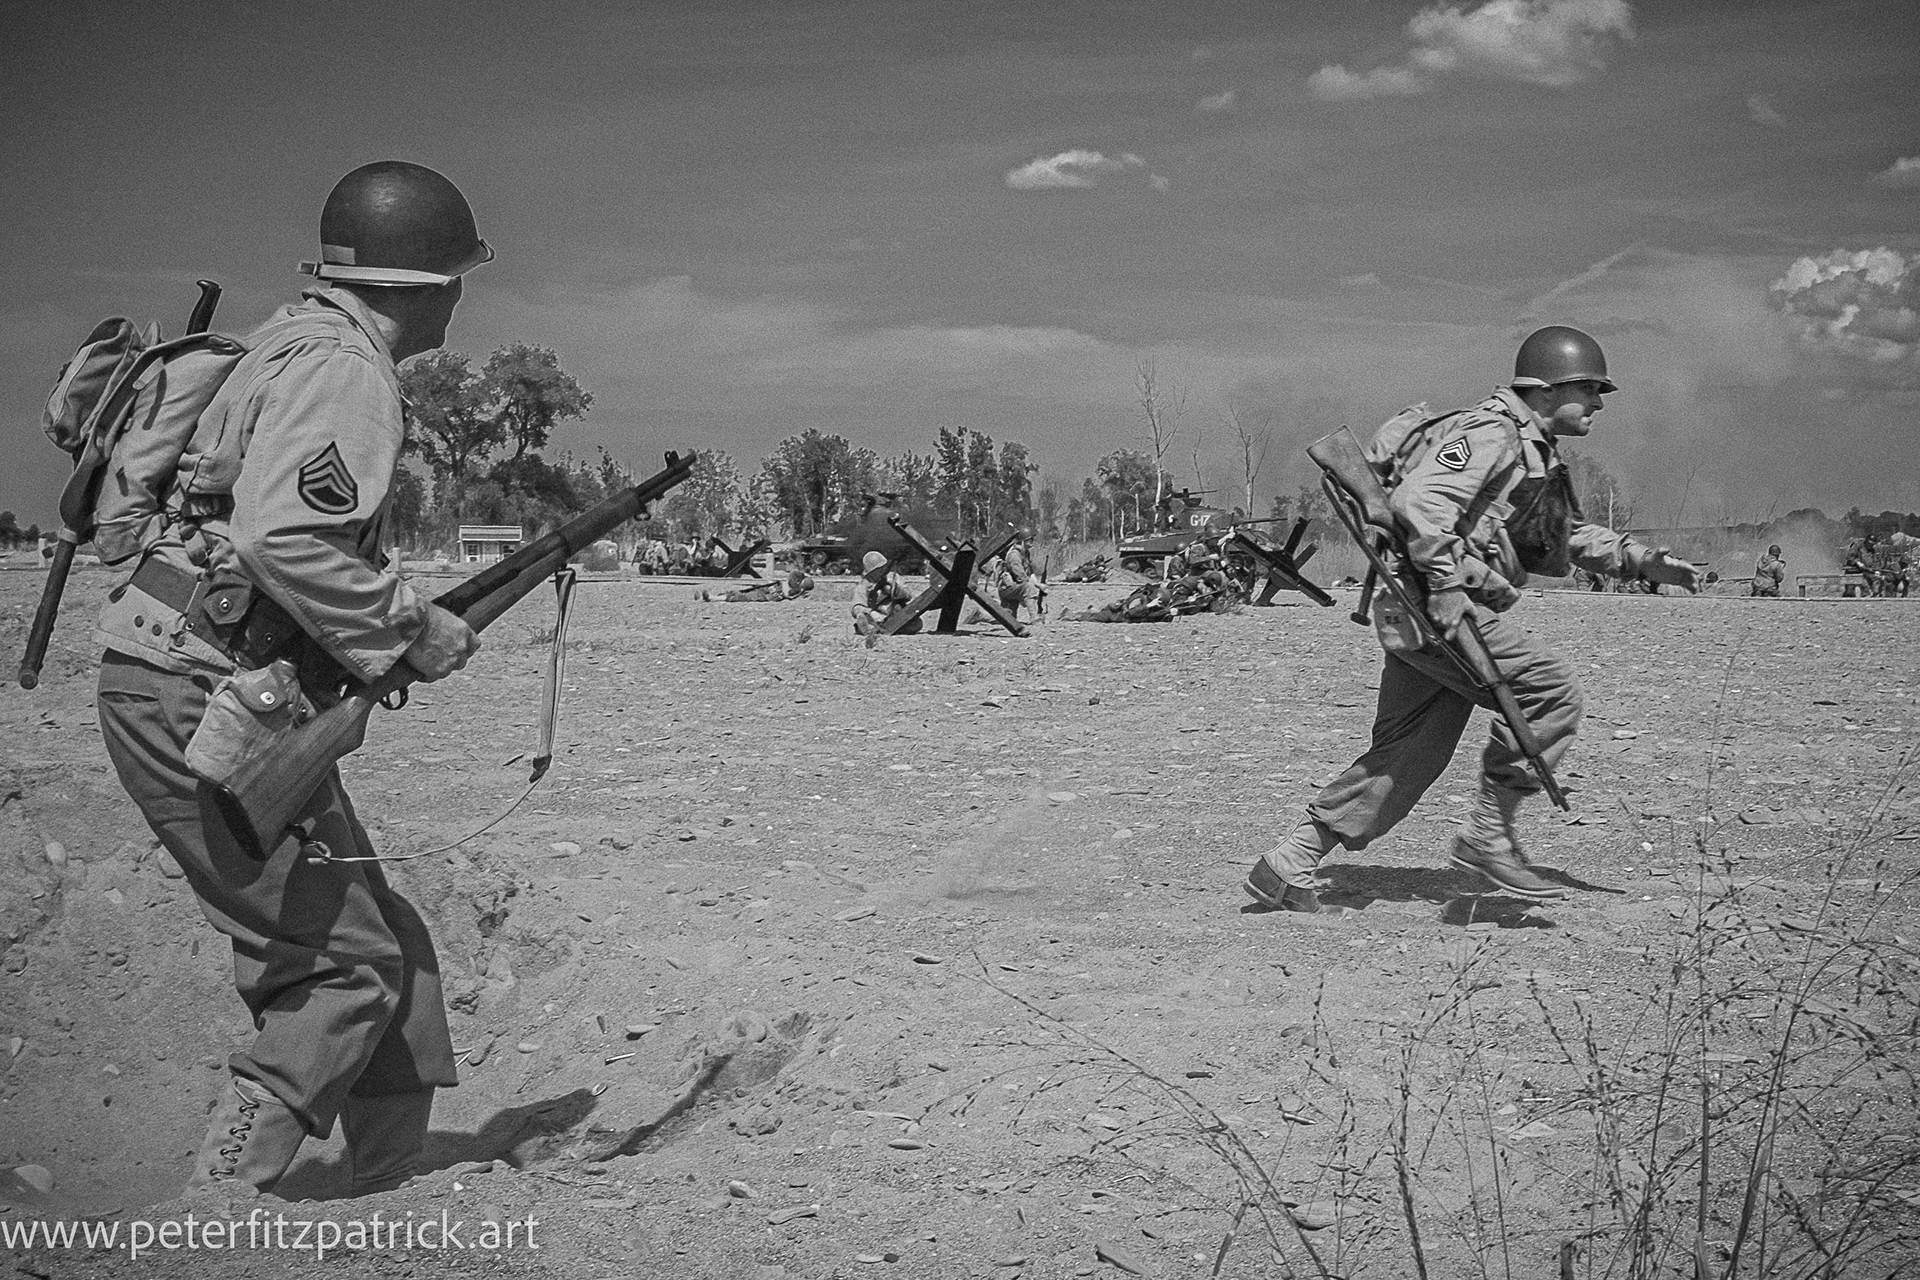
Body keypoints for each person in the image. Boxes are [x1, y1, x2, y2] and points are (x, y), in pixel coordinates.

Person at [92, 161, 489, 1195]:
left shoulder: (285, 340)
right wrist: (413, 626)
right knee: (344, 963)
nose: (461, 295)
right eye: (459, 275)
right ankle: (225, 1194)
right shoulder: (345, 370)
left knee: (386, 936)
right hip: (203, 691)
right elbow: (288, 537)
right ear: (426, 281)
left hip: (198, 678)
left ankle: (392, 1180)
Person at [1243, 326, 1703, 912]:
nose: (1598, 402)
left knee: (1411, 751)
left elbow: (1557, 536)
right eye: (1589, 388)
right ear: (1547, 389)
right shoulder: (1492, 432)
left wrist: (1641, 560)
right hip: (1438, 607)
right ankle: (1489, 835)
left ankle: (1289, 862)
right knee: (1550, 688)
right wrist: (1443, 586)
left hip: (1424, 610)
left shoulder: (1532, 448)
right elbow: (1419, 505)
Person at [851, 549, 921, 635]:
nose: (882, 570)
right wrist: (872, 613)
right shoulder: (863, 585)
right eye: (878, 569)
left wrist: (895, 588)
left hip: (896, 613)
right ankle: (873, 628)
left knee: (917, 623)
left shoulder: (893, 577)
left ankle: (883, 630)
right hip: (877, 617)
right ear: (871, 571)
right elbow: (856, 608)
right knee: (863, 618)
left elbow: (908, 596)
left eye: (883, 567)